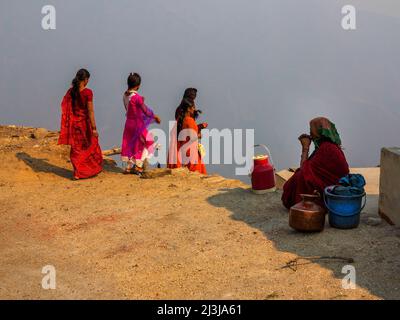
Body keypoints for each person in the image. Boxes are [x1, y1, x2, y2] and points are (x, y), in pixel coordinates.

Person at [282, 117, 349, 209]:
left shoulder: (327, 148)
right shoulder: (327, 146)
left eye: (311, 130)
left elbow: (305, 171)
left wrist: (305, 147)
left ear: (319, 131)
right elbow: (310, 170)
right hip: (333, 188)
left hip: (332, 190)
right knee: (299, 175)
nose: (310, 133)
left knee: (298, 177)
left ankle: (305, 204)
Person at [58, 69, 103, 180]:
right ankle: (84, 172)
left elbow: (66, 107)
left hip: (74, 125)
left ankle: (78, 172)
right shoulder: (88, 92)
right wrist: (94, 128)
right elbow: (90, 111)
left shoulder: (71, 92)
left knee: (76, 149)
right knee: (89, 146)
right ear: (86, 80)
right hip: (84, 125)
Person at [121, 73, 161, 175]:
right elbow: (146, 111)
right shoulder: (137, 98)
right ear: (138, 85)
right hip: (137, 124)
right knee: (149, 141)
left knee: (132, 144)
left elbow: (129, 109)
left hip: (128, 123)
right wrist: (154, 116)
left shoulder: (125, 96)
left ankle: (129, 167)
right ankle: (139, 166)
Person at [168, 88, 207, 168]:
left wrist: (198, 127)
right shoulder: (186, 116)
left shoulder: (182, 109)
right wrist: (198, 130)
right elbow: (187, 127)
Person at [174, 98, 207, 174]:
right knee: (197, 173)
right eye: (193, 107)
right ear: (188, 109)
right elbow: (192, 137)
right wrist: (198, 135)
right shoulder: (189, 120)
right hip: (192, 151)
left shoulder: (182, 120)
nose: (194, 109)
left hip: (185, 150)